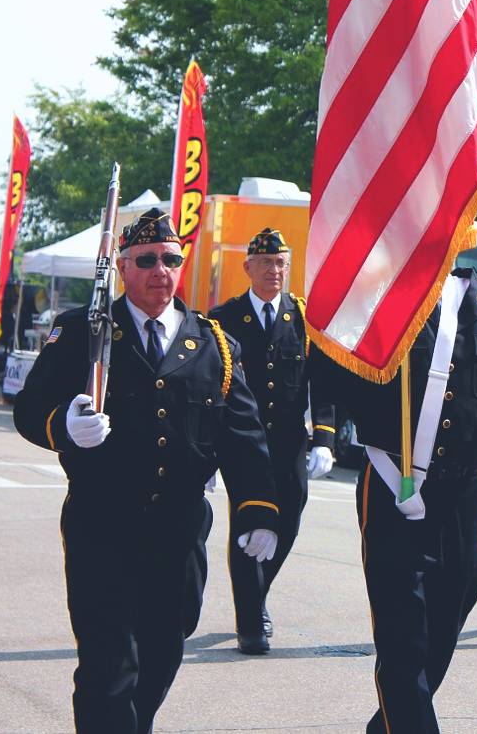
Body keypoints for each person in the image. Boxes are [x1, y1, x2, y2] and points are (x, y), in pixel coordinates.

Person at [12, 209, 279, 734]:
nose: (162, 269)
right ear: (122, 267)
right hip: (101, 525)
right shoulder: (83, 332)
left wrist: (258, 507)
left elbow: (242, 435)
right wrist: (63, 424)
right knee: (107, 665)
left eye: (172, 258)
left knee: (163, 651)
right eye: (148, 259)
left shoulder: (214, 344)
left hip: (177, 530)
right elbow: (29, 409)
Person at [311, 266, 477, 734]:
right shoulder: (380, 291)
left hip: (463, 486)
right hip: (395, 480)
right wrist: (324, 434)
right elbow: (329, 366)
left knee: (456, 602)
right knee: (402, 628)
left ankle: (392, 721)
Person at [208, 226, 335, 654]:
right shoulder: (224, 318)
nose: (274, 270)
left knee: (289, 518)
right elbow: (210, 387)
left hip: (287, 441)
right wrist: (208, 453)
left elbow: (323, 380)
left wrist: (325, 437)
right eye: (265, 263)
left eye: (280, 262)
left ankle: (256, 595)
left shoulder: (303, 318)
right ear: (248, 268)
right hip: (240, 442)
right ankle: (250, 623)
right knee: (247, 524)